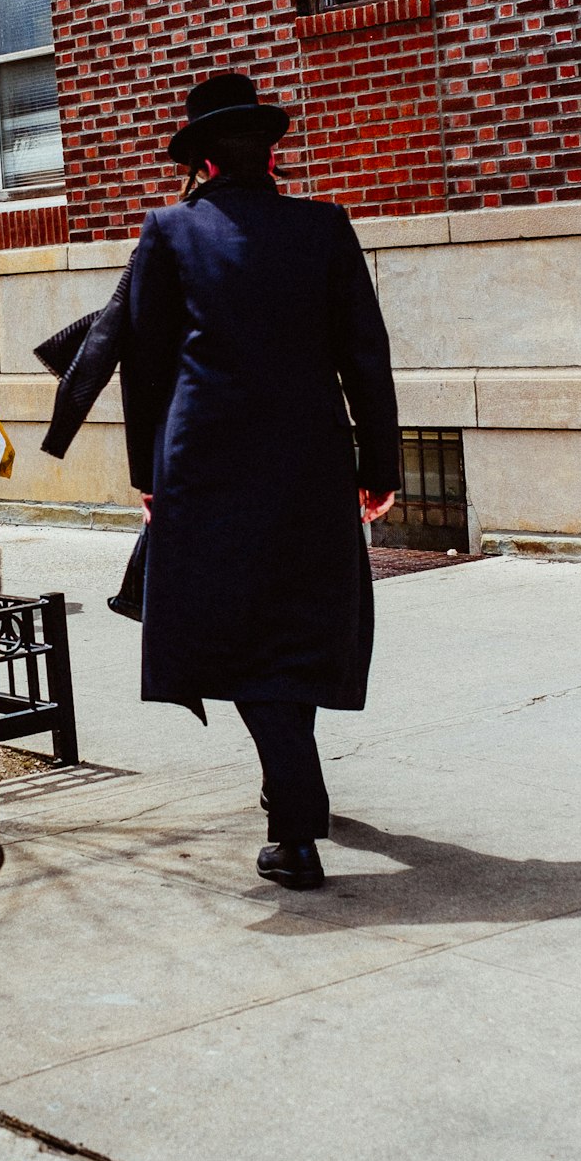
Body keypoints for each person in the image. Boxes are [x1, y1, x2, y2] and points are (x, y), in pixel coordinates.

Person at [123, 72, 400, 891]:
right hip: (310, 461)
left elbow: (147, 366)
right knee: (295, 621)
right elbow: (366, 355)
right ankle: (294, 781)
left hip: (206, 463)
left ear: (202, 161)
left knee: (240, 631)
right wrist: (378, 466)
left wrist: (147, 474)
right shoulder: (324, 227)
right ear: (269, 154)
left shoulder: (169, 231)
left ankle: (296, 820)